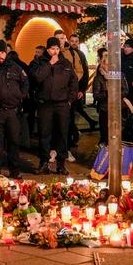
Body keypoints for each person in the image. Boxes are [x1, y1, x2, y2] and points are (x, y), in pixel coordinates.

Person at [30, 36, 78, 175]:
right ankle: (44, 162)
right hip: (45, 104)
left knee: (62, 134)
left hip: (62, 104)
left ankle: (61, 164)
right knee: (44, 134)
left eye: (57, 48)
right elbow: (37, 78)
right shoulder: (39, 62)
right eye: (52, 49)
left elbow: (73, 82)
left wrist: (70, 100)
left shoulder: (66, 63)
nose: (55, 51)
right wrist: (49, 64)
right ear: (48, 49)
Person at [0, 39, 29, 178]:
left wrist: (20, 96)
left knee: (14, 142)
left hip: (12, 111)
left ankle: (15, 170)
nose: (0, 56)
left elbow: (25, 83)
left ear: (6, 53)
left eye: (2, 53)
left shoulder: (15, 67)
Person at [55, 30, 89, 160]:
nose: (60, 41)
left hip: (69, 94)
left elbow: (81, 72)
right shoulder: (51, 53)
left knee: (68, 123)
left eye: (62, 38)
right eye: (58, 38)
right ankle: (54, 150)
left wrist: (77, 88)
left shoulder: (74, 54)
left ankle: (66, 149)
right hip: (54, 96)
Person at [91, 50, 129, 147]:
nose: (109, 67)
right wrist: (107, 94)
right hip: (105, 109)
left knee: (119, 134)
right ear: (103, 64)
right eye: (107, 64)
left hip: (119, 108)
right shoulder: (99, 78)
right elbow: (96, 95)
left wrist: (116, 93)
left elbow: (126, 90)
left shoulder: (120, 75)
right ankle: (104, 156)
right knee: (105, 135)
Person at [68, 33, 97, 129]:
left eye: (76, 41)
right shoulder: (66, 53)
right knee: (75, 109)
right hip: (68, 87)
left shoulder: (81, 54)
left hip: (77, 87)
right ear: (69, 41)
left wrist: (82, 89)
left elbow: (85, 72)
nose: (74, 43)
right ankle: (89, 122)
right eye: (72, 41)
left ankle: (74, 132)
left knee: (74, 109)